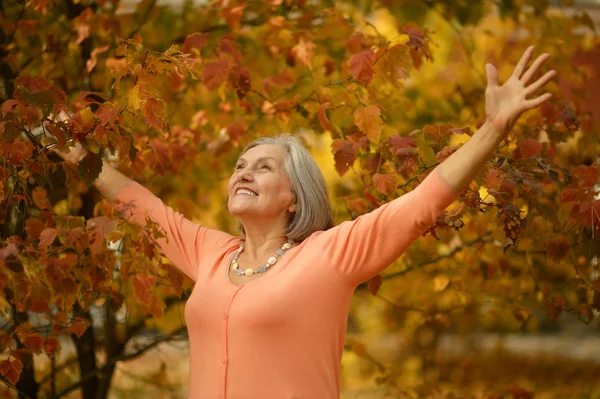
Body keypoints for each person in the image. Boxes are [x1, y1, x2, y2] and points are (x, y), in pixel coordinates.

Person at [54, 46, 555, 398]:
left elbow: (422, 203)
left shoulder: (329, 256)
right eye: (239, 167)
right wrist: (74, 153)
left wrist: (493, 129)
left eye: (263, 166)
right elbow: (143, 206)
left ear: (294, 197)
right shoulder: (212, 253)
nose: (244, 173)